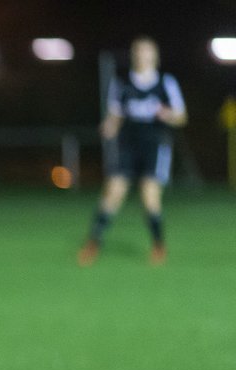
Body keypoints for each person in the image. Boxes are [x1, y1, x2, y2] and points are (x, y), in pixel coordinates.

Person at [78, 37, 187, 267]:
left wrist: (169, 114)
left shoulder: (165, 83)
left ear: (154, 56)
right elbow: (116, 115)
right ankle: (93, 243)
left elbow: (181, 117)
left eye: (147, 51)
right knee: (113, 192)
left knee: (149, 196)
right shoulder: (122, 83)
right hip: (127, 145)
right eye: (138, 51)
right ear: (133, 55)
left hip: (155, 146)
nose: (142, 55)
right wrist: (110, 125)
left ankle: (158, 245)